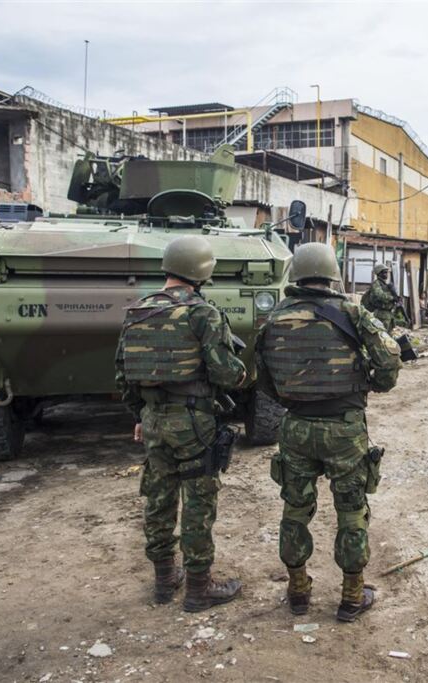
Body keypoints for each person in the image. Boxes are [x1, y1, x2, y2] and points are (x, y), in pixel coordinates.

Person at [256, 243, 402, 623]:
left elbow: (263, 378)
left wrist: (293, 397)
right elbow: (388, 357)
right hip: (344, 427)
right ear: (332, 274)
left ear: (296, 275)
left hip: (296, 427)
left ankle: (298, 591)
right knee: (351, 512)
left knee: (295, 509)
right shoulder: (351, 311)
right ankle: (352, 597)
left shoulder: (274, 318)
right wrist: (374, 384)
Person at [115, 235, 247, 612]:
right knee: (197, 503)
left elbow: (122, 375)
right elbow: (225, 373)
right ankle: (199, 589)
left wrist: (141, 414)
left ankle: (163, 580)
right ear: (202, 271)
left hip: (154, 421)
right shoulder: (203, 313)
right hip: (193, 422)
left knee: (158, 499)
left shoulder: (137, 312)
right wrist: (240, 373)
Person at [361, 263, 398, 331]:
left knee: (389, 336)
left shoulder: (385, 284)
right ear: (379, 273)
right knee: (382, 334)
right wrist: (392, 298)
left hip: (388, 314)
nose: (386, 274)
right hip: (381, 314)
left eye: (387, 273)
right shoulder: (376, 284)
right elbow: (380, 295)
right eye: (384, 273)